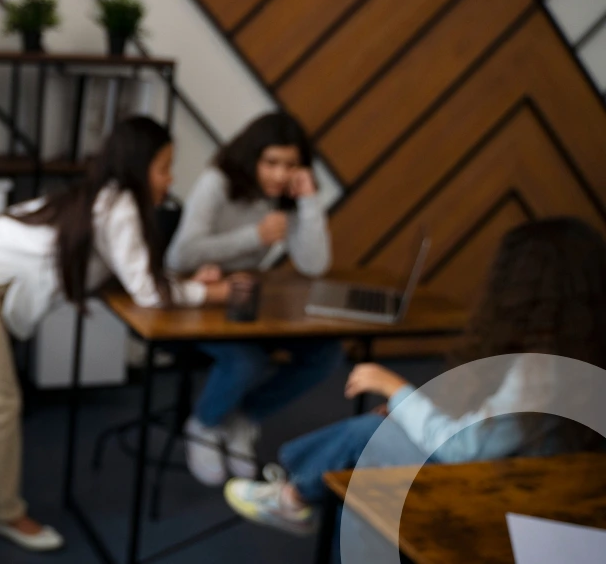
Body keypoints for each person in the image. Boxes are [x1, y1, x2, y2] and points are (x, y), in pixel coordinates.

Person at [0, 117, 230, 551]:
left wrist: (187, 281)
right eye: (164, 167)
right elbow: (148, 292)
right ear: (138, 166)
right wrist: (209, 294)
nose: (170, 180)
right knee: (0, 401)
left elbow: (130, 269)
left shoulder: (109, 197)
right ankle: (2, 511)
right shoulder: (122, 207)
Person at [224, 217, 606, 538]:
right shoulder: (579, 349)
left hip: (504, 490)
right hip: (547, 479)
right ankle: (296, 490)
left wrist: (396, 388)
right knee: (379, 428)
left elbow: (462, 450)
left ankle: (293, 497)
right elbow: (497, 426)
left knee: (366, 441)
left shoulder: (538, 371)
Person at [165, 112, 342, 486]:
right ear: (252, 159)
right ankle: (204, 424)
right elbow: (180, 256)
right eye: (271, 163)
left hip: (249, 303)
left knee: (325, 354)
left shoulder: (288, 196)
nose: (280, 175)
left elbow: (314, 265)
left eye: (290, 165)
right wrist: (255, 237)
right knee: (246, 360)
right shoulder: (217, 183)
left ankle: (243, 418)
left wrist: (309, 201)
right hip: (197, 299)